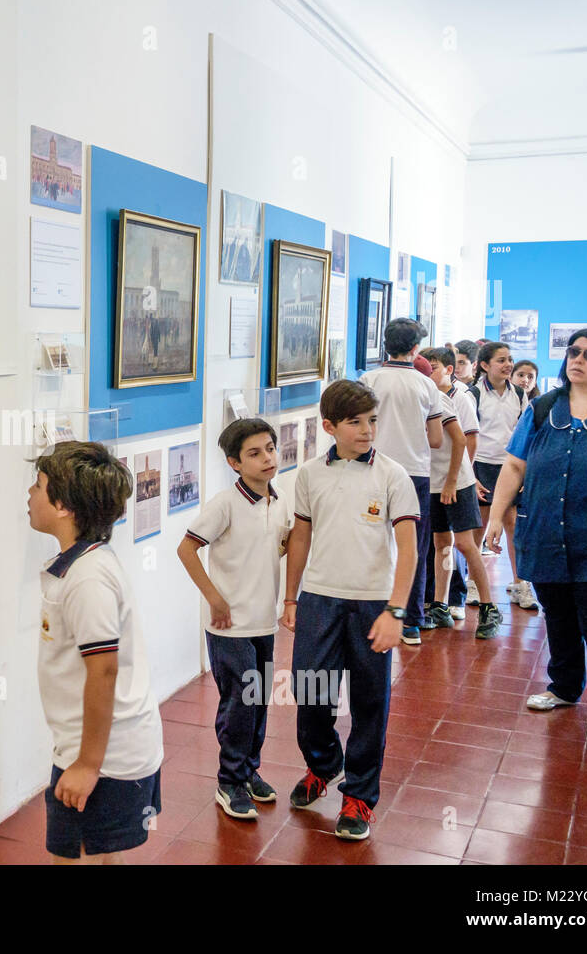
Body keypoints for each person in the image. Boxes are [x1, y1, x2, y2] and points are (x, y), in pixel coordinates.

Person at [485, 327, 587, 755]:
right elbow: (515, 468)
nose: (576, 360)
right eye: (573, 352)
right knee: (557, 618)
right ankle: (563, 687)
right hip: (546, 535)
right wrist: (496, 520)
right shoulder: (542, 409)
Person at [281, 380, 419, 841]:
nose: (367, 430)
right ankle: (323, 764)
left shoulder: (393, 475)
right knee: (310, 693)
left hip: (372, 603)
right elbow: (300, 537)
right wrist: (290, 597)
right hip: (319, 599)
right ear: (329, 427)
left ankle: (359, 795)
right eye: (355, 423)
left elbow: (409, 547)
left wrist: (395, 612)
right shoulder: (309, 475)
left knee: (368, 702)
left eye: (372, 421)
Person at [27, 441, 164, 863]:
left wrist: (87, 765)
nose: (29, 495)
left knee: (77, 858)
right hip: (98, 747)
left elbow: (102, 673)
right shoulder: (85, 564)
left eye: (38, 485)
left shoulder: (88, 579)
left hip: (105, 758)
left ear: (64, 505)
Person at [176, 419, 293, 821]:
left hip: (264, 622)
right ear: (234, 463)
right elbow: (186, 549)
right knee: (240, 703)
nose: (267, 458)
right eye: (255, 453)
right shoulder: (225, 504)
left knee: (259, 701)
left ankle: (249, 771)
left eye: (271, 449)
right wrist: (215, 599)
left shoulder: (280, 502)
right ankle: (229, 781)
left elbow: (271, 551)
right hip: (229, 626)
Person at [359, 318, 447, 644]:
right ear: (415, 349)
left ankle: (372, 610)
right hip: (414, 473)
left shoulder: (368, 379)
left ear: (385, 344)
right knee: (415, 545)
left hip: (373, 469)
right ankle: (410, 621)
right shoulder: (426, 386)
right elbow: (436, 439)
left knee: (371, 538)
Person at [420, 347, 501, 639]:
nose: (428, 372)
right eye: (424, 367)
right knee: (441, 542)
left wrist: (454, 481)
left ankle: (490, 607)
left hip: (457, 481)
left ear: (448, 369)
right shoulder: (421, 398)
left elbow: (464, 441)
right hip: (432, 481)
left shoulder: (456, 398)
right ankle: (440, 603)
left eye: (433, 367)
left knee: (465, 544)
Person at [468, 342, 536, 609]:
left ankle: (521, 585)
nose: (508, 364)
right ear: (485, 365)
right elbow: (466, 439)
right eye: (501, 360)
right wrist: (470, 476)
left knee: (514, 529)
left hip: (509, 468)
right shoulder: (473, 394)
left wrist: (524, 473)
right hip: (480, 466)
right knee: (478, 529)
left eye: (509, 359)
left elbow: (524, 435)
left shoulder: (519, 394)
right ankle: (473, 583)